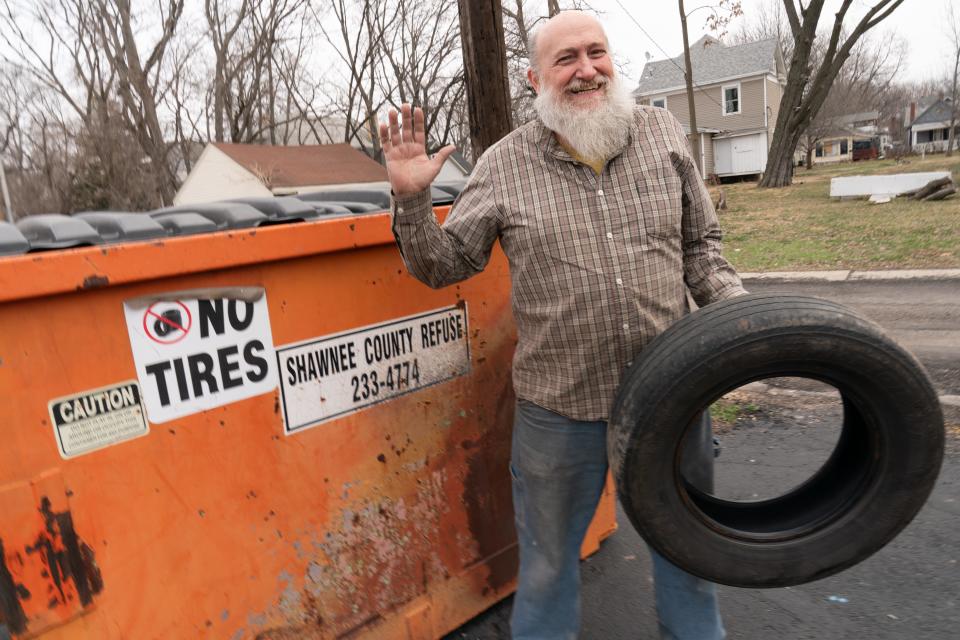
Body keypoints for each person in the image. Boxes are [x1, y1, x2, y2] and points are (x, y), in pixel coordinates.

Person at [379, 10, 746, 640]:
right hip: (559, 410)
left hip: (671, 398)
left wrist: (747, 328)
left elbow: (701, 250)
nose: (585, 70)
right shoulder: (503, 165)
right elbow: (446, 266)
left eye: (595, 52)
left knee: (689, 553)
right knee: (548, 566)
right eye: (565, 59)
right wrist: (411, 200)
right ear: (533, 78)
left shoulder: (662, 135)